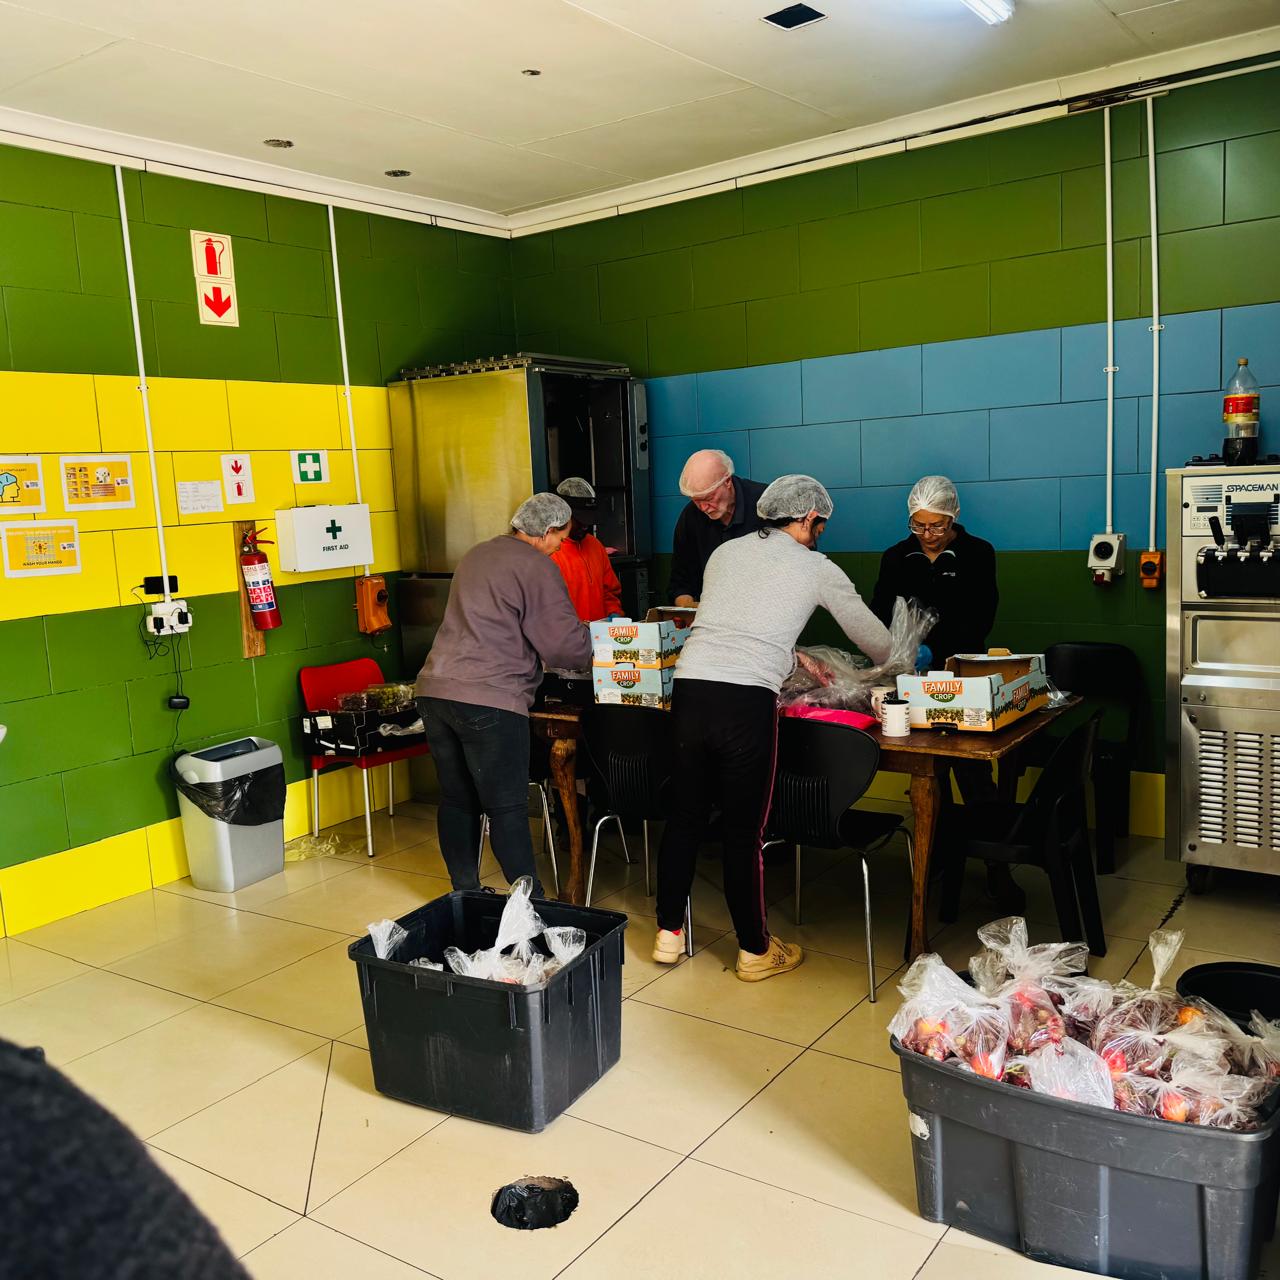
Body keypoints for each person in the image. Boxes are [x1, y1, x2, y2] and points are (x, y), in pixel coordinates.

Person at [653, 475, 892, 982]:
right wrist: (904, 659)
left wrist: (791, 652)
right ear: (808, 518)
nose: (820, 532)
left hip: (691, 689)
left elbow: (738, 621)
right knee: (745, 831)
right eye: (819, 524)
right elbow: (871, 636)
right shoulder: (816, 566)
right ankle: (755, 950)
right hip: (745, 702)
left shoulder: (725, 554)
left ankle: (669, 934)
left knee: (685, 816)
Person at [415, 493, 591, 895]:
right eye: (560, 540)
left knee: (457, 799)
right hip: (490, 697)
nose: (560, 548)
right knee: (506, 806)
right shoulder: (537, 567)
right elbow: (565, 648)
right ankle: (531, 903)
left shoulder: (477, 554)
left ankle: (465, 889)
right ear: (546, 531)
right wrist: (590, 639)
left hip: (435, 690)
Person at [869, 475, 1023, 912]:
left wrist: (937, 650)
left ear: (954, 517)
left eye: (937, 526)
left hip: (959, 678)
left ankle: (995, 866)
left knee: (971, 770)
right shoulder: (897, 557)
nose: (928, 535)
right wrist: (898, 651)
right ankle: (935, 854)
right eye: (919, 526)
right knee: (926, 769)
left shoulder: (978, 553)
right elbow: (882, 609)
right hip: (911, 677)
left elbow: (981, 615)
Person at [668, 449, 768, 607]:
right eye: (696, 500)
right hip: (712, 617)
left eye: (709, 498)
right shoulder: (691, 516)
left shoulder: (767, 504)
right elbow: (680, 581)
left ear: (727, 481)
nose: (703, 508)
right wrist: (688, 608)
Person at [550, 477, 624, 623]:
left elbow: (609, 591)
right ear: (563, 515)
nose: (585, 526)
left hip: (601, 637)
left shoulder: (595, 545)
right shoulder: (549, 551)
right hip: (567, 638)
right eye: (580, 520)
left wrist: (614, 613)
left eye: (589, 520)